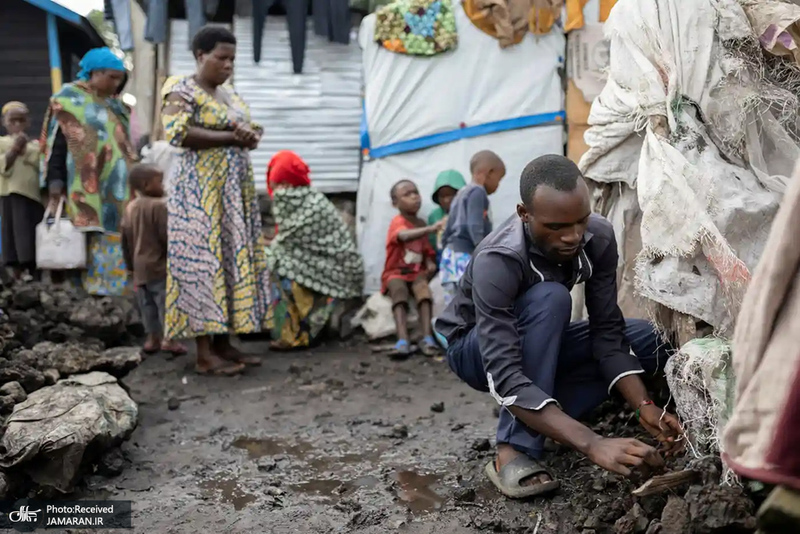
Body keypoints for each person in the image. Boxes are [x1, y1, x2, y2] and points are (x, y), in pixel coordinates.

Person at [435, 155, 684, 499]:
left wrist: (643, 405)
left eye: (580, 222)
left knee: (648, 339)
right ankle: (515, 447)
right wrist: (593, 443)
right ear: (525, 214)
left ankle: (552, 416)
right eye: (557, 227)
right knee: (551, 299)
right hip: (477, 350)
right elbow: (504, 373)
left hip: (535, 338)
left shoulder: (597, 237)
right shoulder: (499, 259)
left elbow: (607, 335)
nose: (573, 237)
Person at [161, 25, 269, 376]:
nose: (227, 65)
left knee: (227, 262)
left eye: (232, 59)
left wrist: (249, 136)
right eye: (221, 58)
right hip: (198, 196)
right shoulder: (181, 88)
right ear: (200, 55)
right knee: (202, 265)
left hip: (233, 197)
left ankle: (224, 343)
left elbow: (248, 132)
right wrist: (231, 138)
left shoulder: (231, 96)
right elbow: (177, 133)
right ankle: (204, 354)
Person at [40, 47, 137, 295]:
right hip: (81, 188)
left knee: (115, 235)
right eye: (112, 77)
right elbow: (56, 145)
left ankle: (112, 297)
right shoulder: (67, 99)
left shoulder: (116, 106)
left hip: (117, 191)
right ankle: (82, 299)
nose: (117, 83)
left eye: (120, 78)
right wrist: (55, 184)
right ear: (94, 73)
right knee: (83, 235)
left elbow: (125, 146)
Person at [265, 150, 364, 349]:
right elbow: (289, 242)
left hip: (337, 270)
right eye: (277, 186)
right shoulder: (310, 200)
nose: (280, 191)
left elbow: (285, 246)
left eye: (284, 185)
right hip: (327, 266)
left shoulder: (307, 204)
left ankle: (294, 334)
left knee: (274, 265)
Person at [121, 164, 187, 356]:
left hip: (139, 268)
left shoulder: (130, 208)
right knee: (165, 303)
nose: (164, 186)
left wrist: (129, 265)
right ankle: (170, 339)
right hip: (159, 266)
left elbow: (124, 239)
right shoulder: (159, 207)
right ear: (146, 184)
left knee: (146, 305)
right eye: (160, 181)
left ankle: (152, 339)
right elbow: (166, 237)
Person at [382, 179, 441, 358]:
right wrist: (431, 229)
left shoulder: (421, 223)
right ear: (395, 203)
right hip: (396, 272)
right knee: (398, 293)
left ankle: (427, 337)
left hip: (416, 273)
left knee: (424, 294)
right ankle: (402, 340)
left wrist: (430, 262)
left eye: (415, 193)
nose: (414, 197)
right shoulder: (398, 222)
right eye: (407, 195)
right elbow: (403, 236)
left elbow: (427, 251)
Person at [439, 150, 506, 303]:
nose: (498, 185)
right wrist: (485, 252)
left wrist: (445, 250)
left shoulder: (462, 192)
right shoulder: (478, 192)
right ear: (488, 173)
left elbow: (447, 228)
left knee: (454, 308)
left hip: (450, 257)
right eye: (499, 179)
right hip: (465, 257)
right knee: (472, 304)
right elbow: (475, 226)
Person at [0, 102, 43, 278]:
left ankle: (31, 268)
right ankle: (15, 270)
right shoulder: (2, 142)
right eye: (13, 121)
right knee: (11, 233)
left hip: (31, 196)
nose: (17, 125)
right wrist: (16, 147)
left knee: (29, 233)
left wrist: (22, 146)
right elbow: (3, 164)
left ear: (28, 122)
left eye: (21, 120)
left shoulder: (35, 145)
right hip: (8, 194)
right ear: (5, 122)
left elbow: (40, 162)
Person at [427, 169, 466, 265]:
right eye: (442, 196)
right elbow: (432, 244)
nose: (446, 200)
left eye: (451, 195)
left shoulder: (470, 211)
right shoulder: (435, 216)